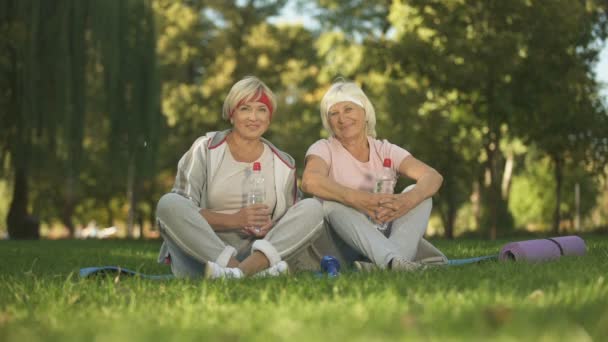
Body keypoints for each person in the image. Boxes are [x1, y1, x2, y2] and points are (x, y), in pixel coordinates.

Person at [156, 76, 324, 279]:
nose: (254, 117)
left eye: (262, 109)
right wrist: (235, 220)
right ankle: (242, 272)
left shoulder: (284, 163)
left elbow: (288, 226)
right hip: (205, 255)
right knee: (169, 203)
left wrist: (270, 225)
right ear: (231, 114)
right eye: (245, 108)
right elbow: (185, 212)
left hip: (258, 253)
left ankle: (238, 274)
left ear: (269, 118)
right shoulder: (205, 149)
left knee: (312, 208)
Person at [302, 80, 448, 271]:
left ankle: (388, 263)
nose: (342, 118)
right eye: (333, 113)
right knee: (331, 204)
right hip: (339, 242)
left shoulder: (385, 150)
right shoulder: (323, 148)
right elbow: (309, 180)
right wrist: (358, 199)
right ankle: (393, 261)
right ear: (328, 121)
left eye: (348, 109)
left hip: (382, 234)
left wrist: (406, 200)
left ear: (365, 113)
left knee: (419, 194)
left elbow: (432, 176)